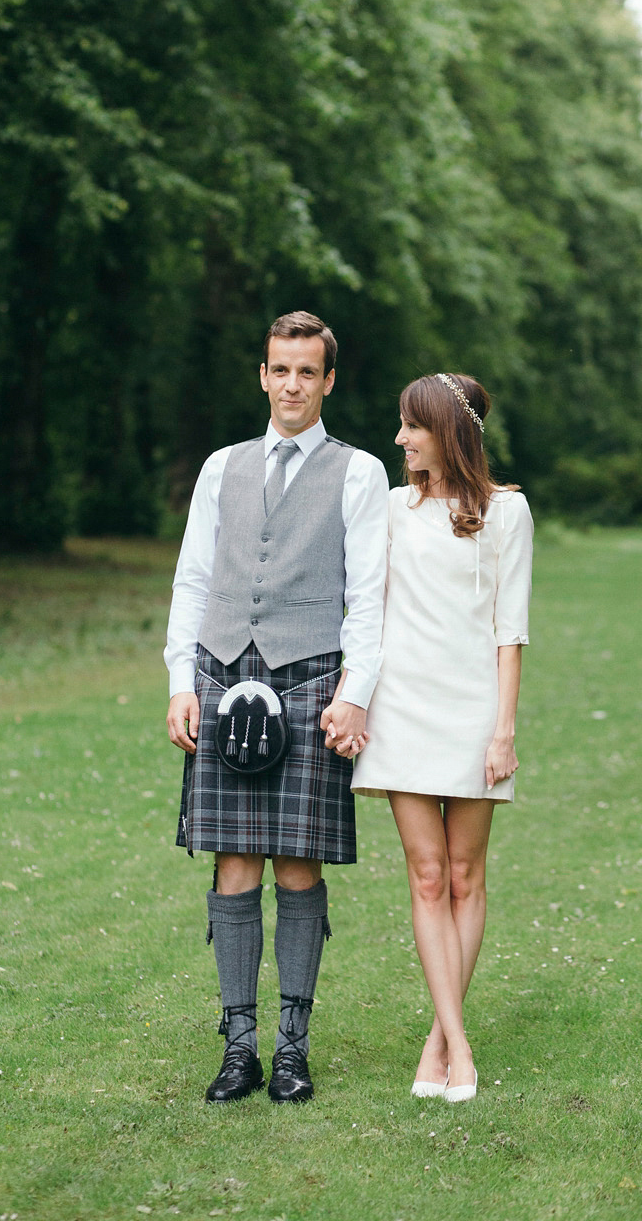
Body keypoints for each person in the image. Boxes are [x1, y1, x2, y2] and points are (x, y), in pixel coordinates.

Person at [165, 311, 388, 1106]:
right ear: (262, 375)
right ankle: (240, 1049)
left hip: (310, 682)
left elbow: (367, 596)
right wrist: (179, 682)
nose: (291, 385)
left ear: (328, 381)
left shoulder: (359, 473)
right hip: (221, 675)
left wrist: (355, 692)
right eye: (279, 369)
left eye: (307, 372)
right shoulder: (221, 467)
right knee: (232, 865)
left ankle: (293, 1050)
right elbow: (193, 580)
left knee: (297, 865)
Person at [351, 372, 533, 1103]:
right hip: (401, 712)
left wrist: (504, 731)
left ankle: (438, 1039)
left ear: (446, 432)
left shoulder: (506, 513)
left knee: (466, 878)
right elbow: (364, 612)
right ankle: (458, 1046)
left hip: (473, 715)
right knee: (426, 878)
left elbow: (510, 631)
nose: (399, 439)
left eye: (410, 427)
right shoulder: (391, 509)